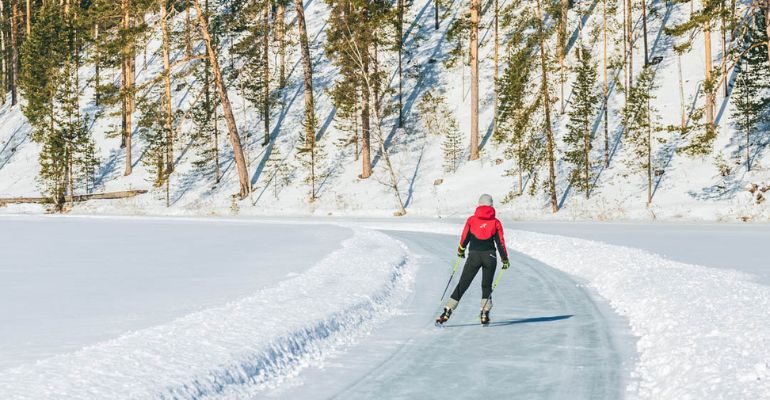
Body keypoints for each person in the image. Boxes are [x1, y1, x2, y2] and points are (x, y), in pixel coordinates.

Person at [436, 194, 509, 325]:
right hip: (490, 257)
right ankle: (485, 313)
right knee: (486, 286)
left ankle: (447, 310)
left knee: (463, 284)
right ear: (491, 205)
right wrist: (505, 259)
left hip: (474, 256)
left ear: (479, 205)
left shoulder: (471, 220)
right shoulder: (496, 222)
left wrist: (461, 250)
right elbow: (500, 243)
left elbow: (465, 238)